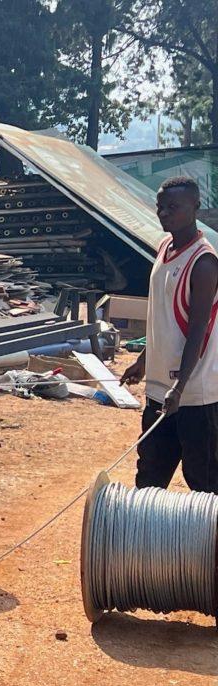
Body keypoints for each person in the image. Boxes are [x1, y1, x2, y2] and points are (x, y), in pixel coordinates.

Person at [121, 176, 218, 492]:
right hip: (160, 390)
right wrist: (144, 359)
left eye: (173, 207)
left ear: (196, 207)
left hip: (195, 397)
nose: (164, 213)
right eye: (160, 206)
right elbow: (161, 317)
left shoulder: (203, 263)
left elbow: (197, 333)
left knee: (204, 484)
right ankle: (144, 542)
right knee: (148, 479)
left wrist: (180, 386)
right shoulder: (164, 247)